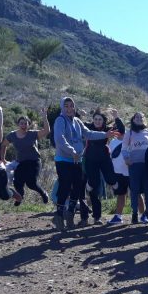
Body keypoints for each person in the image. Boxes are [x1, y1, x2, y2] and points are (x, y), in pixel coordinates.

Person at [52, 97, 111, 230]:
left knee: (78, 188)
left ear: (74, 107)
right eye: (66, 106)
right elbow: (59, 139)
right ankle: (59, 215)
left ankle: (70, 214)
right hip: (63, 160)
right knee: (65, 186)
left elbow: (88, 133)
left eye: (71, 106)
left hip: (77, 160)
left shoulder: (77, 121)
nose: (69, 108)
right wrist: (72, 150)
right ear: (62, 107)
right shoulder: (60, 120)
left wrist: (105, 134)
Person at [1, 108, 51, 206]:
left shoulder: (32, 134)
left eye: (26, 123)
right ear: (18, 124)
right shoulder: (12, 135)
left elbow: (47, 131)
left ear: (28, 125)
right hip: (21, 162)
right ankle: (20, 197)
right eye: (22, 123)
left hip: (34, 162)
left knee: (31, 183)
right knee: (17, 181)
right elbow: (3, 145)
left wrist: (45, 117)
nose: (24, 125)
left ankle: (43, 193)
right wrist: (2, 158)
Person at [83, 108, 124, 223]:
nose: (97, 121)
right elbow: (76, 122)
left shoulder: (108, 129)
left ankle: (113, 184)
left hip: (104, 158)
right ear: (93, 120)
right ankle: (97, 216)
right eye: (95, 119)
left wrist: (116, 117)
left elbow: (122, 130)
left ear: (103, 121)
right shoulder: (88, 127)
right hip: (90, 159)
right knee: (94, 186)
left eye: (100, 119)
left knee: (111, 179)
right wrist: (79, 114)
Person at [122, 112, 148, 224]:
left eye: (141, 117)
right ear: (133, 119)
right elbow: (124, 148)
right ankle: (134, 213)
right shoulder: (129, 133)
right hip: (134, 165)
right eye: (137, 117)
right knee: (134, 190)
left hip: (147, 165)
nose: (139, 119)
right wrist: (126, 159)